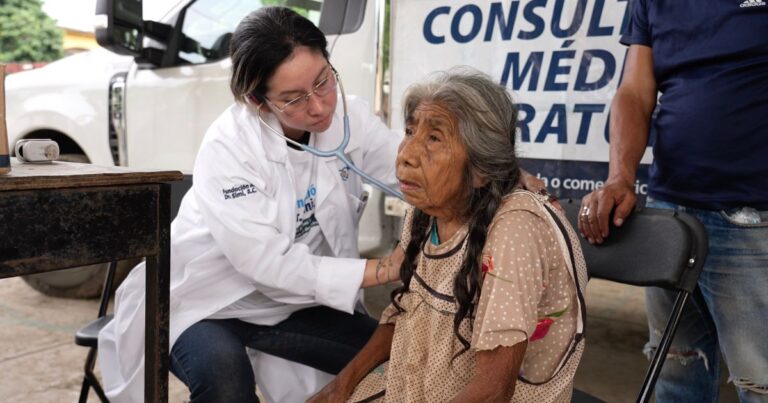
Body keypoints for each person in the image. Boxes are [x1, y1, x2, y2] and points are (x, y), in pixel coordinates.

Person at [97, 7, 405, 403]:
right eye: (293, 99)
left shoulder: (350, 120)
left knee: (395, 356)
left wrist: (491, 178)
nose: (319, 107)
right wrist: (384, 268)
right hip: (202, 300)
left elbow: (409, 166)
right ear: (258, 102)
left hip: (289, 302)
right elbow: (267, 264)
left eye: (323, 81)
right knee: (225, 382)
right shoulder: (230, 147)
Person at [309, 69, 588, 403]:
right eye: (410, 131)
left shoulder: (514, 231)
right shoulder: (427, 208)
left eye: (434, 138)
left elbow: (492, 393)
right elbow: (407, 313)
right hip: (419, 383)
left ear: (481, 168)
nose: (406, 154)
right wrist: (340, 386)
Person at [578, 1, 768, 401]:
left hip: (754, 218)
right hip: (673, 213)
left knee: (759, 380)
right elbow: (635, 91)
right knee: (675, 373)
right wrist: (620, 177)